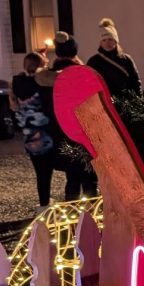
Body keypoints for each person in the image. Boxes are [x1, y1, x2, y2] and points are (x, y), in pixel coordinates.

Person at [35, 32, 98, 200]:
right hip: (82, 131)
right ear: (75, 51)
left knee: (72, 174)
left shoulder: (45, 77)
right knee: (88, 175)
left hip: (58, 132)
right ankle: (92, 208)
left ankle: (71, 208)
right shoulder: (83, 74)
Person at [10, 52, 57, 208]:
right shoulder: (42, 84)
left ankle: (44, 202)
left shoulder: (17, 82)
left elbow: (14, 106)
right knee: (47, 170)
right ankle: (46, 204)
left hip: (28, 133)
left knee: (40, 171)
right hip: (45, 132)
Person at [85, 18, 142, 99]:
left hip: (125, 102)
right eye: (104, 40)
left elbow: (136, 83)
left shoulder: (127, 60)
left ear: (115, 41)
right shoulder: (93, 62)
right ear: (100, 43)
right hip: (104, 101)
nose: (107, 42)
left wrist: (139, 101)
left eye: (110, 39)